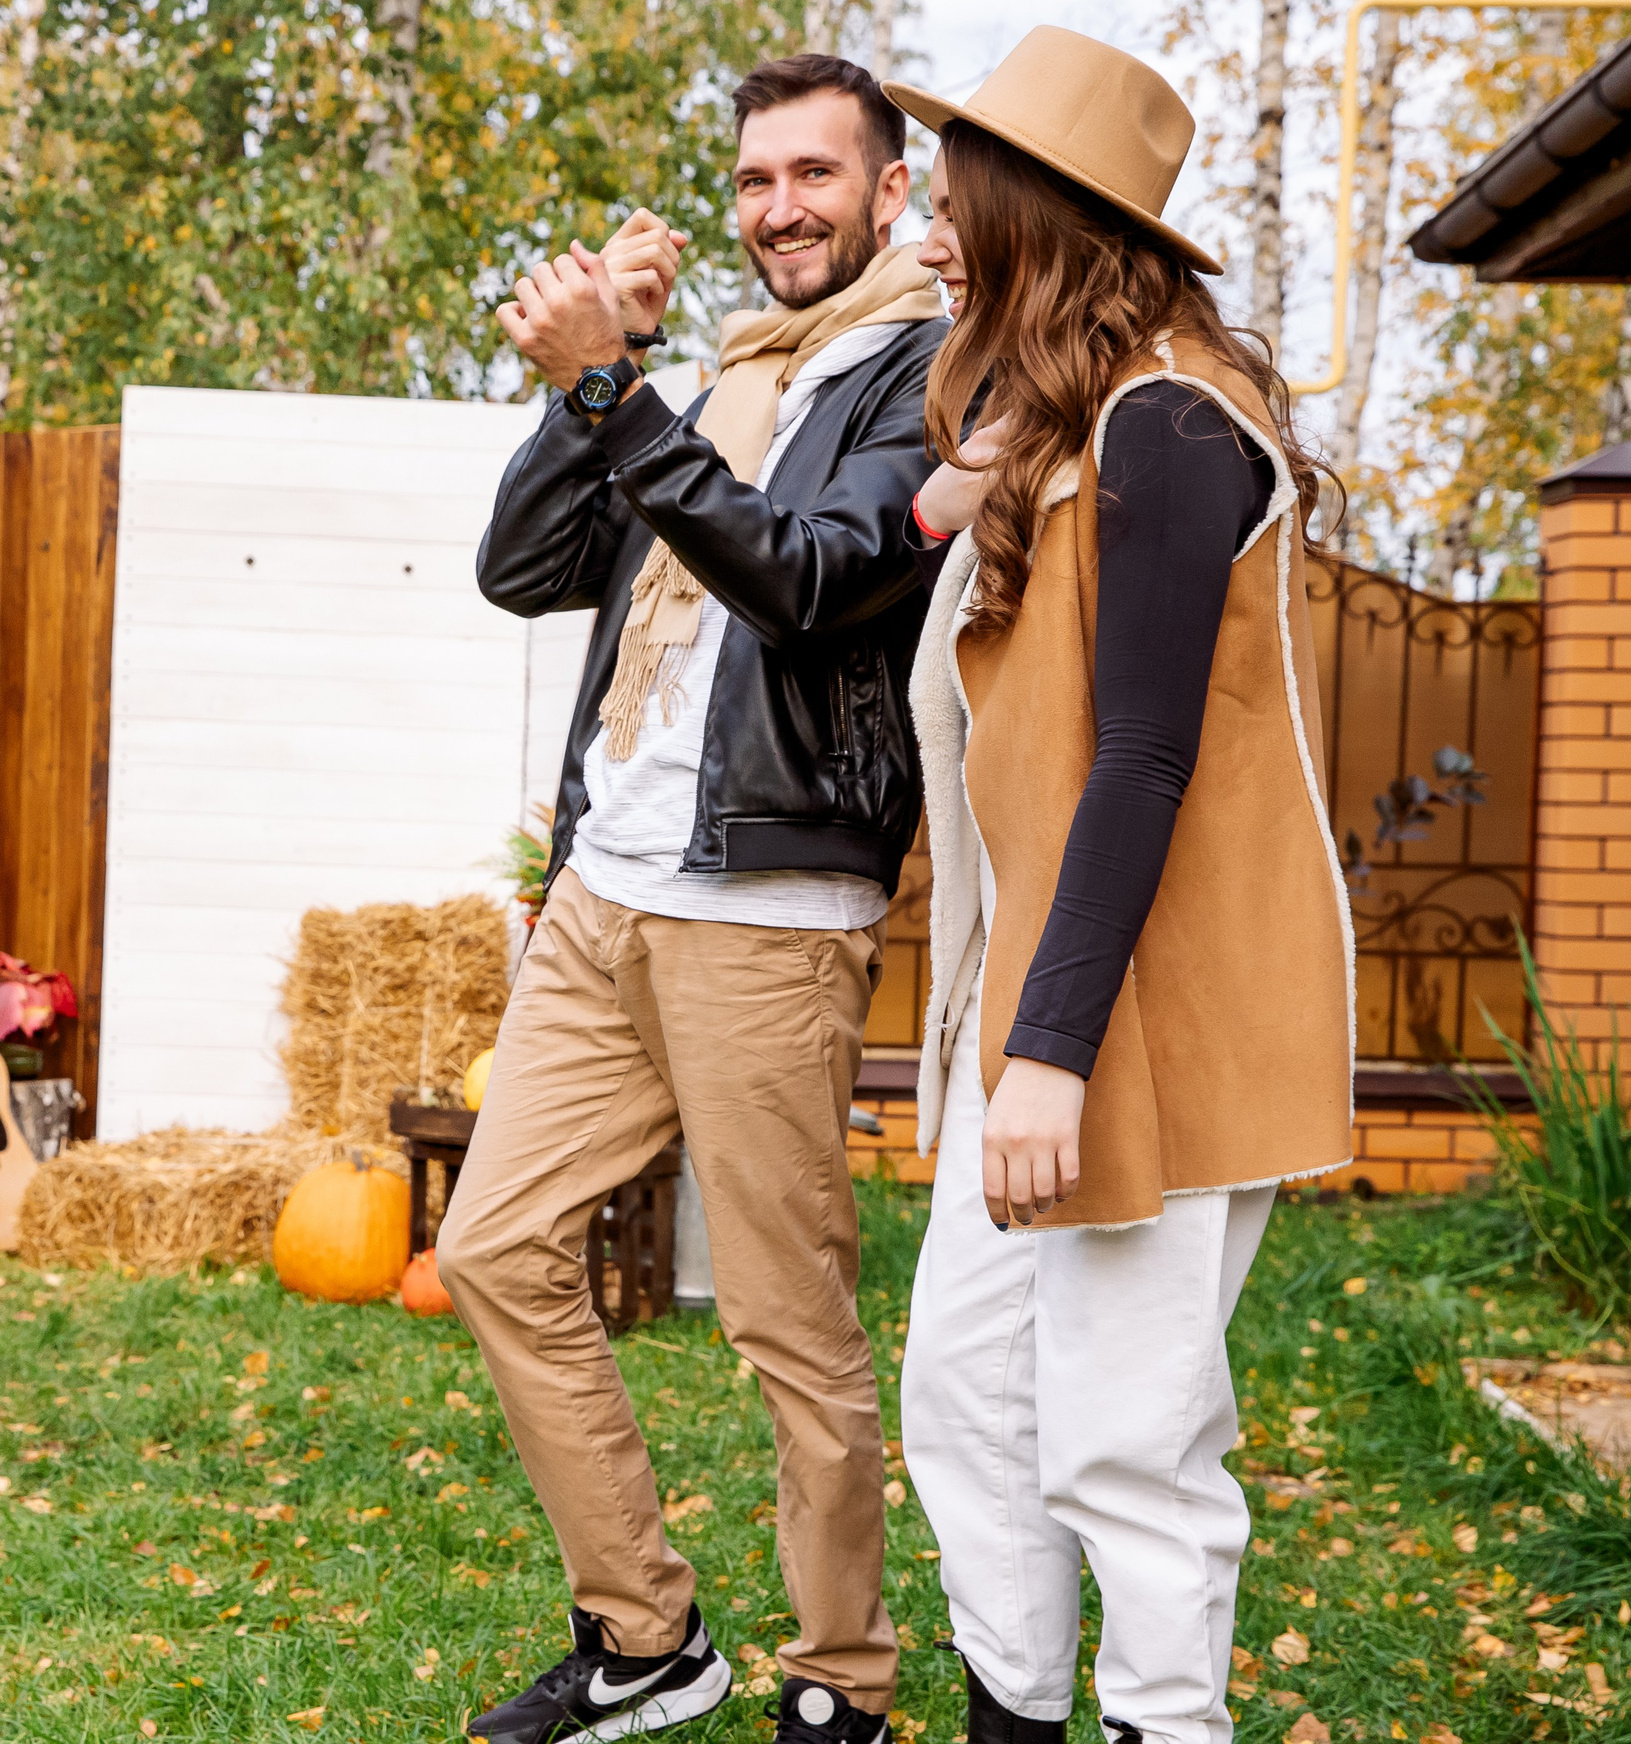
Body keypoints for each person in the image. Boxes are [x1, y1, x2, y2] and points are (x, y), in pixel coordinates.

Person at [439, 53, 948, 1744]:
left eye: (814, 175)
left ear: (891, 192)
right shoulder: (715, 374)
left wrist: (616, 399)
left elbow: (806, 579)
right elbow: (526, 569)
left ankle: (842, 1684)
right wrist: (613, 380)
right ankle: (645, 1633)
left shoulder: (924, 372)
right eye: (752, 182)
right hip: (608, 887)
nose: (778, 210)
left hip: (773, 907)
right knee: (497, 1245)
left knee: (790, 1329)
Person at [879, 29, 1353, 1744]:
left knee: (1125, 1442)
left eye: (950, 206)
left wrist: (1051, 1051)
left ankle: (1167, 1723)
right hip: (1061, 999)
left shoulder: (1174, 428)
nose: (929, 235)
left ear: (1037, 219)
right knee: (968, 1393)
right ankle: (1016, 1710)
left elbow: (1142, 761)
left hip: (1154, 1008)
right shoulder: (1083, 431)